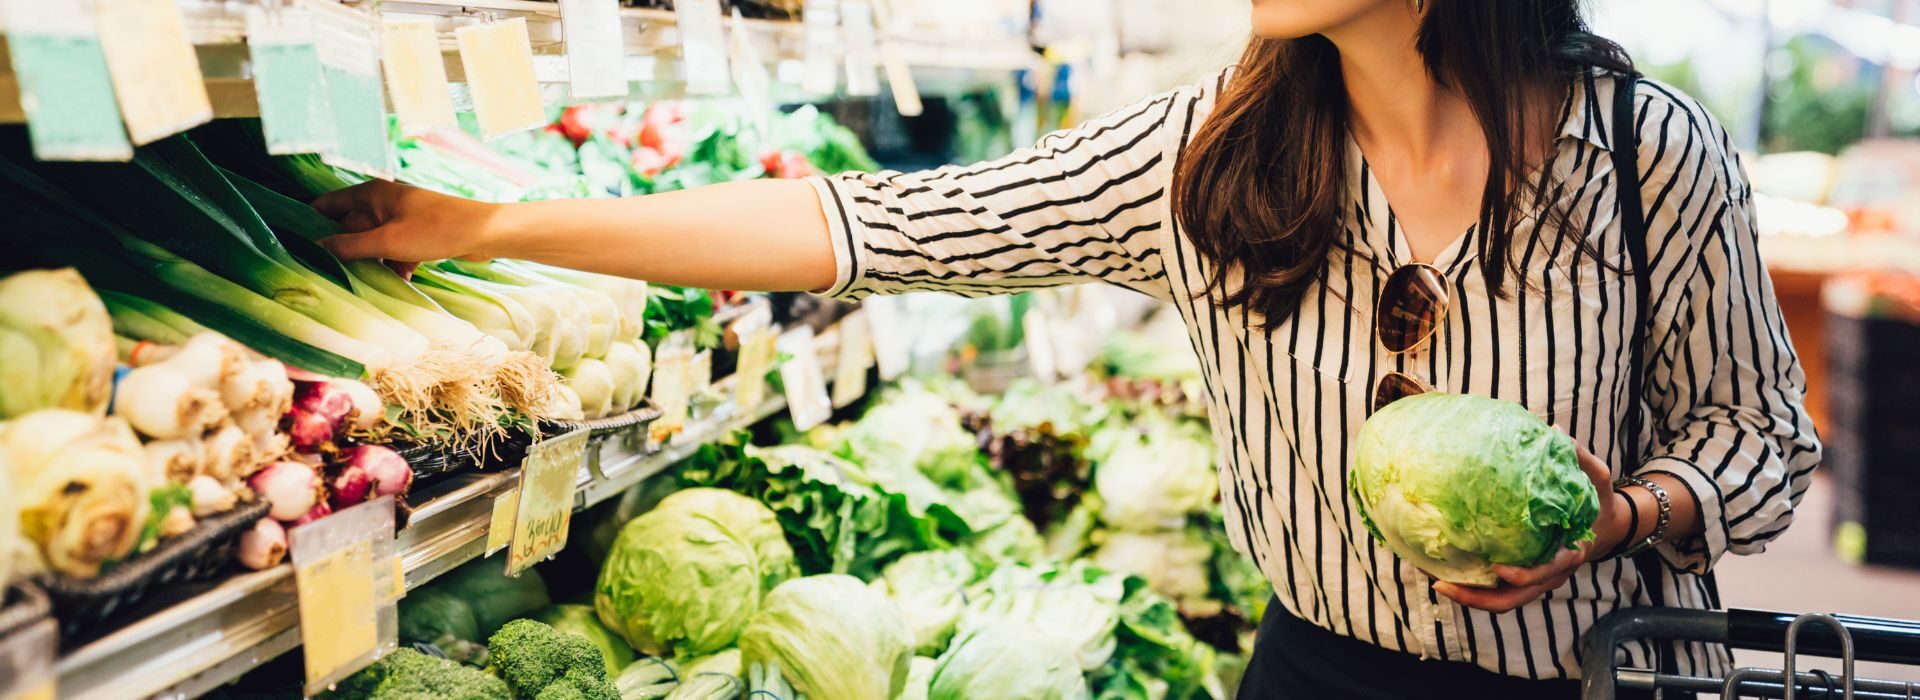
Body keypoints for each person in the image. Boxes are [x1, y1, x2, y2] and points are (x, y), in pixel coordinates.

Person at [315, 1, 1821, 696]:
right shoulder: (1209, 168)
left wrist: (1621, 515)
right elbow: (864, 227)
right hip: (1320, 677)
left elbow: (1763, 444)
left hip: (1605, 676)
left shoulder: (1642, 154)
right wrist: (488, 223)